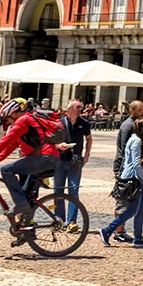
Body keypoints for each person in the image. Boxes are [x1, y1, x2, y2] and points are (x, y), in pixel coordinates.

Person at [0, 99, 66, 242]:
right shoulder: (26, 122)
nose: (8, 121)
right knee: (27, 196)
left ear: (13, 113)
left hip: (44, 158)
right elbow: (12, 144)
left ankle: (20, 205)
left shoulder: (24, 120)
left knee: (6, 171)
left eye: (8, 118)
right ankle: (26, 233)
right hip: (45, 159)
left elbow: (5, 140)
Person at [99, 117, 143, 247]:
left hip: (136, 177)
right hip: (134, 178)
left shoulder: (136, 139)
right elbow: (135, 164)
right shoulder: (136, 141)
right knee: (132, 210)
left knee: (140, 209)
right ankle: (107, 230)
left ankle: (138, 238)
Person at [53, 99, 93, 233]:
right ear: (68, 109)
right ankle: (59, 220)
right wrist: (59, 146)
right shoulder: (59, 123)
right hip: (59, 161)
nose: (80, 109)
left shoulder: (84, 123)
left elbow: (89, 138)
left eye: (80, 107)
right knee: (58, 191)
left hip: (75, 161)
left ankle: (71, 222)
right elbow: (50, 140)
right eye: (77, 107)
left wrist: (87, 154)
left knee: (73, 191)